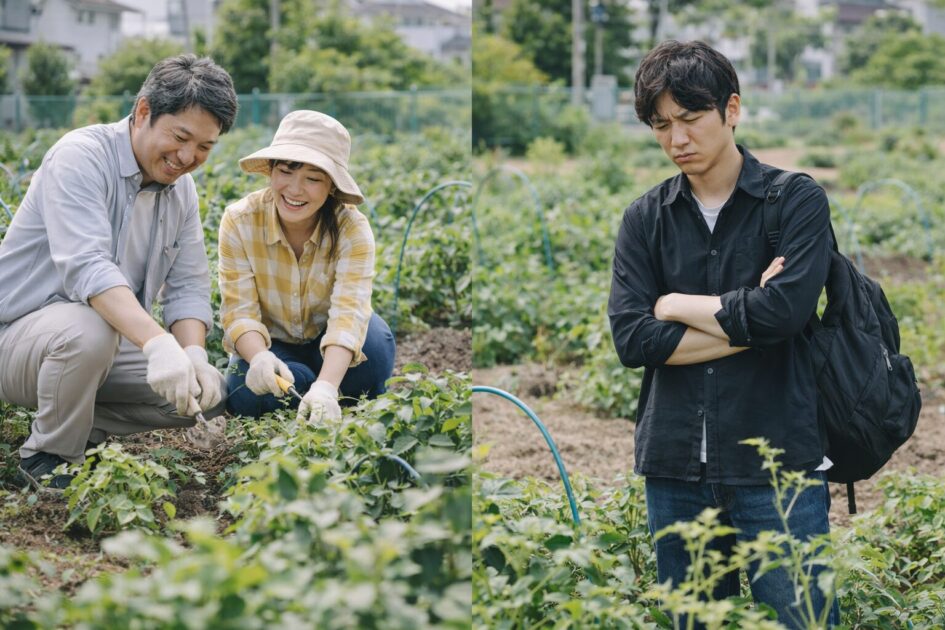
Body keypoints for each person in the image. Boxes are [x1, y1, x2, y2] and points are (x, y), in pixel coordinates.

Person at [608, 40, 840, 627]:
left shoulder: (795, 200)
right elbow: (633, 340)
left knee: (803, 619)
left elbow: (785, 314)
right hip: (674, 467)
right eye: (661, 125)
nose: (677, 139)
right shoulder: (645, 218)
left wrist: (674, 304)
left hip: (777, 465)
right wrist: (755, 316)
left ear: (731, 109)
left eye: (690, 118)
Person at [0, 54, 238, 490]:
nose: (188, 157)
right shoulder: (80, 157)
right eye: (180, 137)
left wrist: (193, 354)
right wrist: (156, 342)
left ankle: (80, 425)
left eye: (205, 147)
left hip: (97, 346)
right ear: (144, 111)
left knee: (206, 394)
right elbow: (88, 268)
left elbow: (187, 285)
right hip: (17, 340)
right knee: (88, 329)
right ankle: (49, 456)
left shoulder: (181, 190)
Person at [219, 110, 395, 423]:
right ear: (271, 170)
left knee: (374, 348)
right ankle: (309, 385)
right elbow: (239, 310)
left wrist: (326, 386)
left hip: (330, 343)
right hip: (272, 344)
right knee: (245, 392)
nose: (295, 189)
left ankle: (321, 386)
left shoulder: (351, 229)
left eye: (313, 179)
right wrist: (259, 357)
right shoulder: (240, 221)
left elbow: (349, 313)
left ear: (331, 186)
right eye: (285, 171)